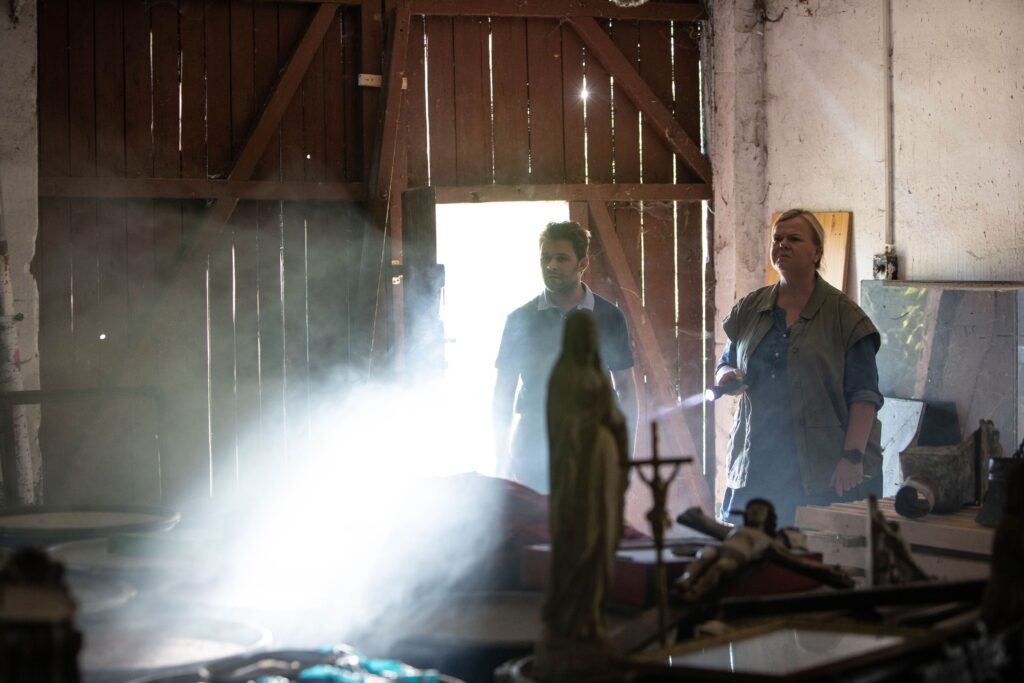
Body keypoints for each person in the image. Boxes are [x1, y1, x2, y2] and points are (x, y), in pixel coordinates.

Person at [715, 209, 883, 527]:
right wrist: (726, 376)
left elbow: (864, 396)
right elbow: (727, 361)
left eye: (794, 239)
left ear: (816, 252)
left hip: (819, 468)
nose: (783, 245)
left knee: (809, 549)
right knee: (751, 550)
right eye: (777, 238)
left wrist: (852, 458)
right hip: (757, 462)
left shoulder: (845, 317)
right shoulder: (750, 308)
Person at [493, 221, 638, 494]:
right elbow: (503, 394)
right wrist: (501, 461)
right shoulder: (520, 319)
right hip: (533, 451)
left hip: (592, 448)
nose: (551, 265)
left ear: (583, 263)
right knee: (539, 520)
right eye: (545, 258)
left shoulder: (609, 317)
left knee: (589, 519)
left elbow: (626, 390)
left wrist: (625, 456)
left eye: (561, 258)